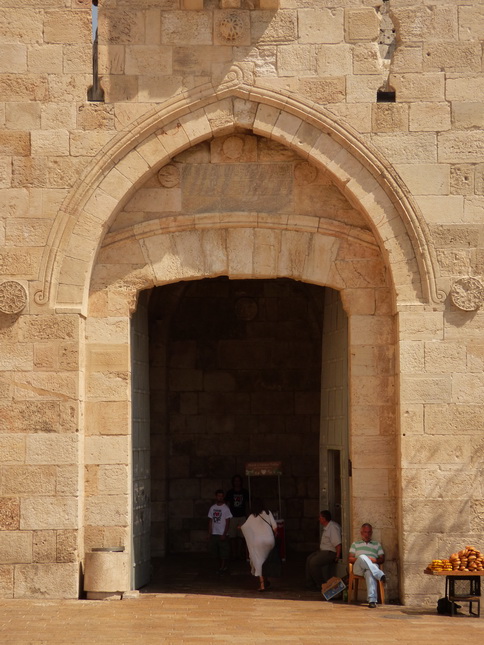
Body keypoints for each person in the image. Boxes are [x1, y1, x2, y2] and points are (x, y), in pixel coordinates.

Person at [241, 498, 277, 592]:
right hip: (270, 541)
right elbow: (275, 527)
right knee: (267, 561)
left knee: (259, 562)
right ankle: (267, 580)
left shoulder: (252, 516)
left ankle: (262, 585)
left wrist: (239, 527)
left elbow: (245, 527)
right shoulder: (268, 512)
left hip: (258, 543)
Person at [348, 523, 386, 608]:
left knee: (369, 572)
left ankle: (372, 600)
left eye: (369, 532)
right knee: (362, 556)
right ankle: (379, 574)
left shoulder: (377, 544)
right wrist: (364, 559)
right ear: (361, 533)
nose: (367, 534)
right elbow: (350, 559)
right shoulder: (355, 544)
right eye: (365, 532)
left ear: (371, 533)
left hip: (371, 567)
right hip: (359, 568)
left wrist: (371, 560)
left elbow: (382, 559)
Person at [305, 510, 342, 590]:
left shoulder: (333, 528)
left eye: (320, 517)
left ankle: (321, 584)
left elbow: (337, 543)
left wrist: (337, 556)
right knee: (309, 559)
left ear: (324, 519)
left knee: (313, 562)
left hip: (330, 552)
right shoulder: (327, 527)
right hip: (324, 551)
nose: (319, 519)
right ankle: (310, 584)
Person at [207, 489, 232, 575]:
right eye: (218, 496)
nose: (220, 498)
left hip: (222, 533)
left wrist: (224, 533)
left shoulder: (226, 508)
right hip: (214, 533)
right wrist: (209, 532)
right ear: (216, 496)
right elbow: (210, 520)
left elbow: (228, 522)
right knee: (215, 551)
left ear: (223, 497)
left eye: (221, 496)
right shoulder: (213, 508)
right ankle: (220, 566)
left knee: (224, 551)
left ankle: (223, 567)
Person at [225, 474, 250, 559]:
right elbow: (227, 505)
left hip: (242, 516)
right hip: (232, 517)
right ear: (233, 482)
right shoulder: (230, 492)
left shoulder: (245, 492)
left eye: (238, 481)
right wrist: (227, 516)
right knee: (232, 536)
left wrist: (247, 516)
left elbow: (247, 504)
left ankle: (239, 553)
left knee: (242, 536)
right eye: (235, 481)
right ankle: (234, 553)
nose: (237, 482)